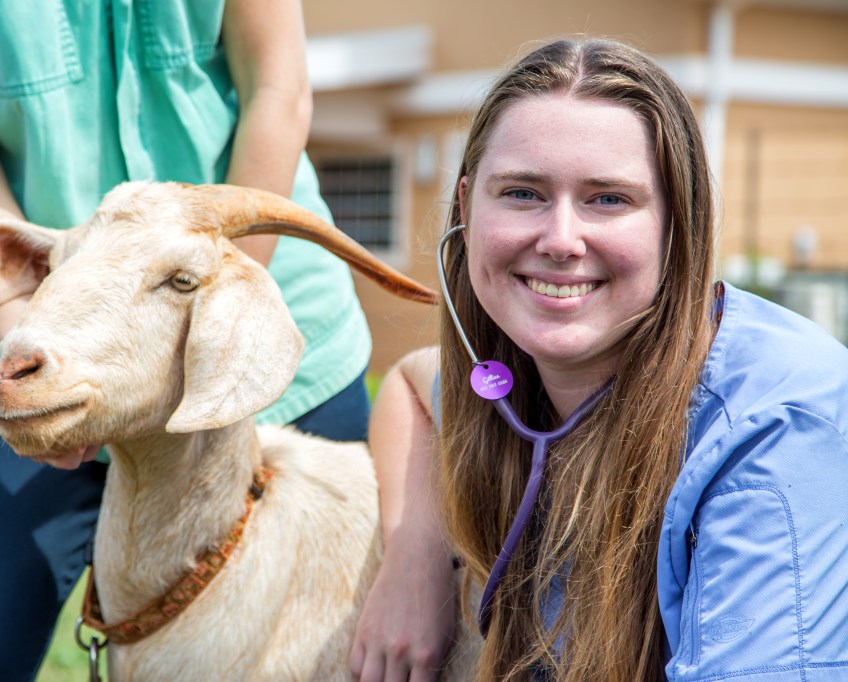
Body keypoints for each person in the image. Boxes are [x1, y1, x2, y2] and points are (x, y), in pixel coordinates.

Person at [0, 0, 374, 678]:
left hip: (253, 334)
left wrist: (214, 310)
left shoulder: (234, 319)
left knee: (357, 641)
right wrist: (30, 339)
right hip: (36, 344)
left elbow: (277, 92)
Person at [350, 38, 848, 681]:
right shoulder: (510, 377)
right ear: (468, 207)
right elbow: (412, 385)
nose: (560, 240)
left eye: (608, 199)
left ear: (678, 224)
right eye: (523, 193)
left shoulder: (778, 433)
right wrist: (414, 554)